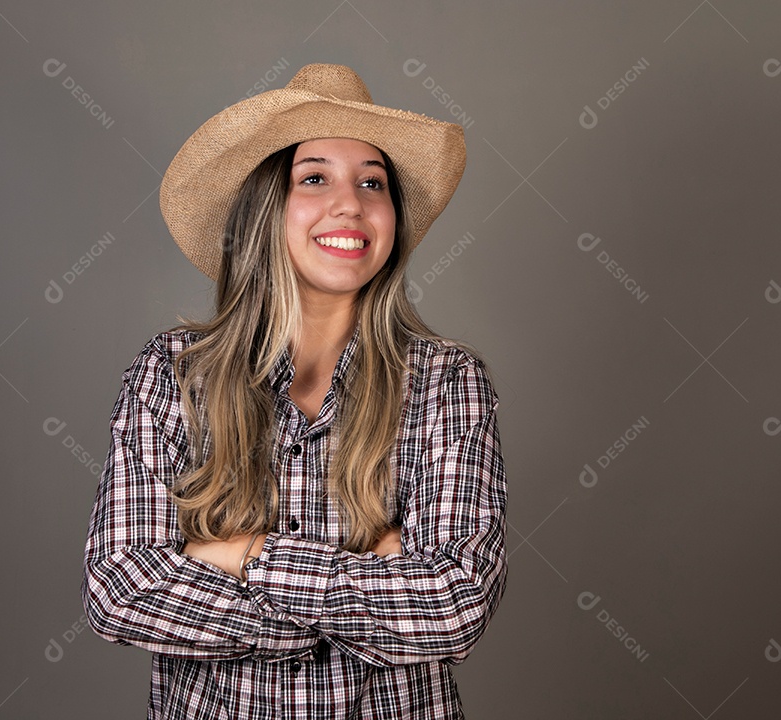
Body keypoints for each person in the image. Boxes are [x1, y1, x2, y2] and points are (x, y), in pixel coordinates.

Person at [81, 63, 508, 719]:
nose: (352, 203)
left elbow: (454, 608)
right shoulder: (172, 374)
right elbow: (120, 591)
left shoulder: (448, 382)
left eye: (373, 182)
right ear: (263, 210)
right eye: (315, 178)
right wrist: (369, 584)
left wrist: (241, 555)